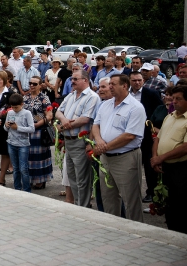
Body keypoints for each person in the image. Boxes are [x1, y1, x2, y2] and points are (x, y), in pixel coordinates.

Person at [91, 74, 146, 222]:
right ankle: (113, 230)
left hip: (126, 158)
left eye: (113, 84)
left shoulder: (135, 108)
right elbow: (96, 125)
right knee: (108, 198)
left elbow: (130, 136)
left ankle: (137, 232)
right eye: (109, 84)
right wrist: (98, 140)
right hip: (106, 158)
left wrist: (104, 147)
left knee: (131, 200)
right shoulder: (106, 104)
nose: (110, 87)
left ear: (125, 86)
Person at [55, 68, 100, 207]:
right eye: (71, 79)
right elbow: (58, 112)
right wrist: (64, 121)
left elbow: (85, 119)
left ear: (85, 80)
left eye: (75, 79)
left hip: (81, 141)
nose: (71, 81)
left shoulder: (92, 97)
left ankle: (84, 206)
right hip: (69, 142)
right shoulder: (71, 95)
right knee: (72, 177)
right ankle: (78, 205)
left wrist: (64, 126)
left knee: (82, 178)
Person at [150, 84, 187, 233]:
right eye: (173, 98)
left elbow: (185, 147)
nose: (174, 102)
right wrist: (155, 157)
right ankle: (172, 231)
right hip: (164, 167)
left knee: (181, 203)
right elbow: (158, 139)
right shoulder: (169, 116)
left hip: (181, 169)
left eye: (178, 99)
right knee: (168, 202)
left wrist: (161, 158)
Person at [127, 71, 163, 205]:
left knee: (149, 166)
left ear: (143, 81)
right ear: (129, 81)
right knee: (132, 165)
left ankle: (151, 192)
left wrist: (153, 128)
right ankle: (132, 191)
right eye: (134, 80)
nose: (137, 83)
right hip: (129, 134)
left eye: (139, 80)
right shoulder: (127, 94)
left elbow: (159, 110)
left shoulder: (151, 93)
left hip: (146, 134)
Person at [23, 76, 53, 189]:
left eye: (34, 84)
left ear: (40, 85)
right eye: (30, 83)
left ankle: (40, 179)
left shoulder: (44, 98)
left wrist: (36, 125)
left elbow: (49, 116)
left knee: (39, 157)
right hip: (26, 130)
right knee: (27, 156)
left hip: (38, 130)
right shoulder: (25, 97)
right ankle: (29, 178)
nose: (31, 85)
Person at [5, 94, 35, 192]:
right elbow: (5, 129)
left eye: (16, 107)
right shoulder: (10, 113)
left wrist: (18, 128)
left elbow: (32, 129)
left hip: (23, 144)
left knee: (23, 168)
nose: (14, 109)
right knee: (15, 168)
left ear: (22, 104)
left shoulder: (27, 113)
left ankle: (26, 190)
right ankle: (17, 188)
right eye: (12, 107)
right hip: (11, 143)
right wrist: (6, 125)